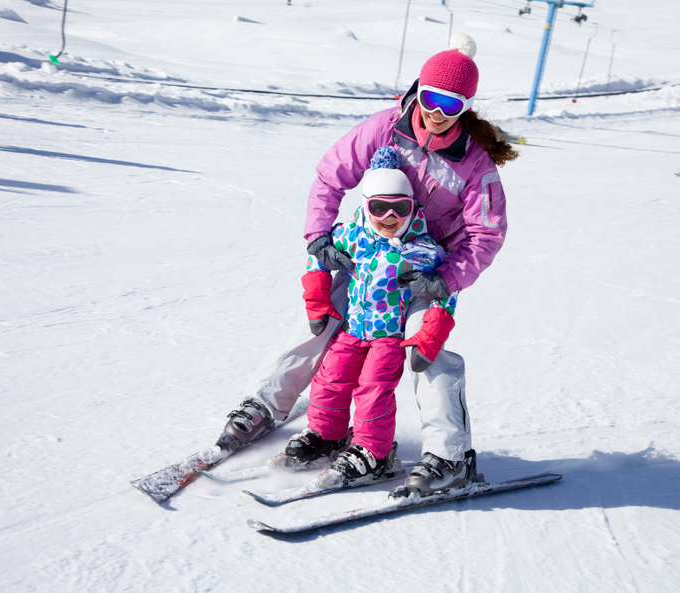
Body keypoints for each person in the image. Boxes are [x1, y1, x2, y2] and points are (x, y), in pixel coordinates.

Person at [216, 33, 518, 497]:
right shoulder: (384, 127)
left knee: (426, 350)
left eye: (452, 104)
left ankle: (449, 456)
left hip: (426, 271)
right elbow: (330, 175)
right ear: (419, 89)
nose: (438, 112)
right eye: (432, 98)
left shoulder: (475, 165)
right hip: (369, 253)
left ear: (467, 108)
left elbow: (486, 233)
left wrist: (446, 278)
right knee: (320, 320)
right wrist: (319, 235)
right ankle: (266, 405)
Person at [277, 147, 459, 487]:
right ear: (365, 205)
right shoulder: (352, 236)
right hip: (353, 330)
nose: (389, 216)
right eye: (379, 207)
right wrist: (317, 296)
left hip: (390, 337)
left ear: (412, 207)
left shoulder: (421, 249)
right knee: (330, 378)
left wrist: (431, 332)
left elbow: (445, 290)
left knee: (373, 388)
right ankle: (326, 435)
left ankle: (373, 451)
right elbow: (317, 254)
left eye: (400, 207)